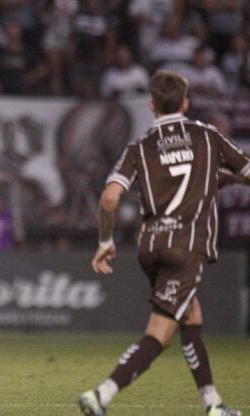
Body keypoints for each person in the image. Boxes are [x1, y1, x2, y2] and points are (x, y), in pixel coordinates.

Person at [78, 71, 248, 416]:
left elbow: (110, 199)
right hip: (186, 246)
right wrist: (229, 178)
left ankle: (212, 403)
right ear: (186, 103)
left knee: (190, 314)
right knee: (159, 333)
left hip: (152, 246)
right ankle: (101, 395)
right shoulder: (206, 136)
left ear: (151, 105)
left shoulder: (139, 148)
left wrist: (105, 241)